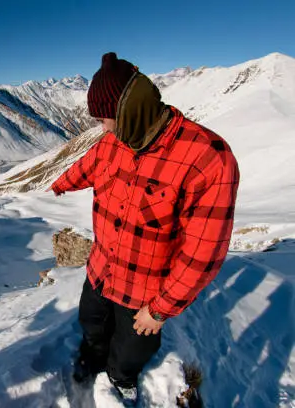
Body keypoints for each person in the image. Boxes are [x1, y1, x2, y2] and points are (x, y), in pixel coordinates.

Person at [48, 52, 239, 405]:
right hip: (101, 268)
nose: (103, 127)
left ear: (132, 109)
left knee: (132, 346)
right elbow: (88, 166)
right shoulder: (114, 141)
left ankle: (121, 378)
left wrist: (161, 308)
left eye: (107, 117)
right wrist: (60, 184)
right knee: (91, 322)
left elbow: (203, 253)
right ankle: (91, 360)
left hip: (144, 290)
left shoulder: (208, 158)